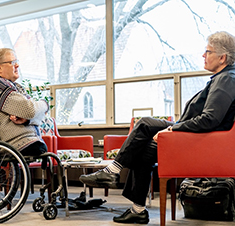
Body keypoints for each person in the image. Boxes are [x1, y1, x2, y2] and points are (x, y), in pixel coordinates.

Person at [79, 31, 235, 224]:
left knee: (144, 128)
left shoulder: (226, 79)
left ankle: (114, 175)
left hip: (197, 141)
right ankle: (130, 198)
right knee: (143, 135)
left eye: (208, 51)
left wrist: (174, 130)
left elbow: (210, 119)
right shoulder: (222, 78)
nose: (203, 55)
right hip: (192, 136)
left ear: (222, 57)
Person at [0, 48, 49, 156]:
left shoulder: (14, 87)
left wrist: (26, 120)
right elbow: (30, 110)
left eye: (17, 62)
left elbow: (40, 116)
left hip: (26, 142)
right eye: (12, 62)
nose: (17, 66)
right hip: (15, 144)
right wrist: (45, 104)